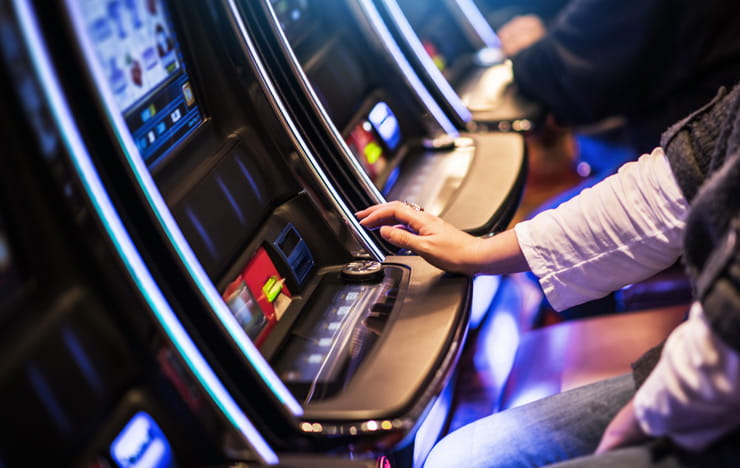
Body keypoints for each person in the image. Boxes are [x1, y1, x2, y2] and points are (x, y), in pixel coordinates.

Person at [355, 83, 740, 466]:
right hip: (714, 355)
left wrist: (646, 415)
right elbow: (677, 181)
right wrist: (479, 251)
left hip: (723, 383)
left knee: (459, 462)